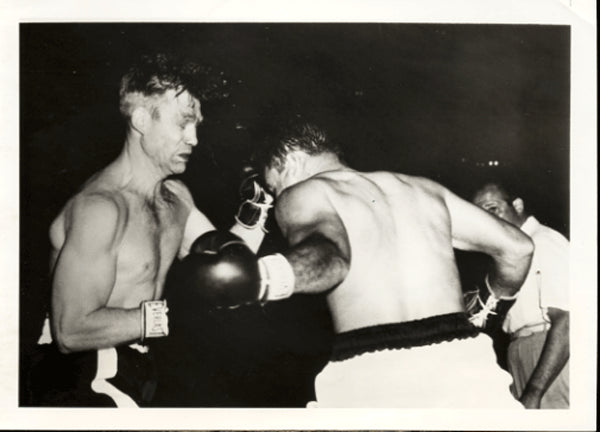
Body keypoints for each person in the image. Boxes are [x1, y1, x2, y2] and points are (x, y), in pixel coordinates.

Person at [180, 123, 534, 408]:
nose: (275, 201)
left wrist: (259, 279)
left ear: (289, 161)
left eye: (273, 187)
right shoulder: (425, 189)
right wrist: (488, 304)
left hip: (377, 377)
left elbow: (331, 257)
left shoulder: (304, 192)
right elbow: (517, 248)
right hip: (466, 365)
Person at [29, 53, 270, 407]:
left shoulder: (175, 197)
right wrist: (176, 312)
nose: (195, 139)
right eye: (184, 123)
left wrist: (257, 207)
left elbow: (229, 268)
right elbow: (71, 330)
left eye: (197, 125)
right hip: (81, 376)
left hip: (137, 371)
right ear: (142, 120)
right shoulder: (101, 208)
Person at [472, 182, 569, 409]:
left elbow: (567, 321)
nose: (486, 220)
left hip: (547, 352)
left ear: (517, 205)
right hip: (520, 351)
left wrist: (534, 391)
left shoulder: (544, 242)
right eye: (479, 213)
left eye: (492, 208)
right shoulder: (510, 253)